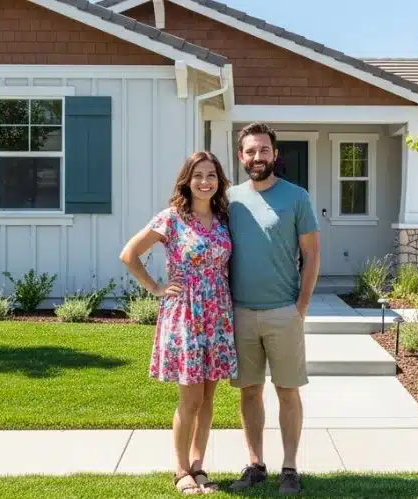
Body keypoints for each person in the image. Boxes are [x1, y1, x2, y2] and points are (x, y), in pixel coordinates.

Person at [119, 151, 237, 495]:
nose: (205, 181)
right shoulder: (171, 219)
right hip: (186, 314)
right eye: (198, 175)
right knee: (190, 399)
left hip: (217, 313)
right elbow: (129, 254)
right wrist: (155, 287)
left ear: (219, 181)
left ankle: (200, 466)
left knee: (209, 397)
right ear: (187, 180)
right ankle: (181, 470)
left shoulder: (222, 219)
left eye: (211, 175)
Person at [226, 122, 321, 494]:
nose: (257, 157)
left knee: (287, 391)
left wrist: (301, 306)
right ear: (241, 156)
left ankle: (290, 468)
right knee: (248, 392)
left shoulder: (297, 197)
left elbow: (312, 255)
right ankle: (255, 464)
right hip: (241, 312)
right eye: (250, 151)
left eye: (264, 150)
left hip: (284, 311)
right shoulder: (229, 199)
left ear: (275, 154)